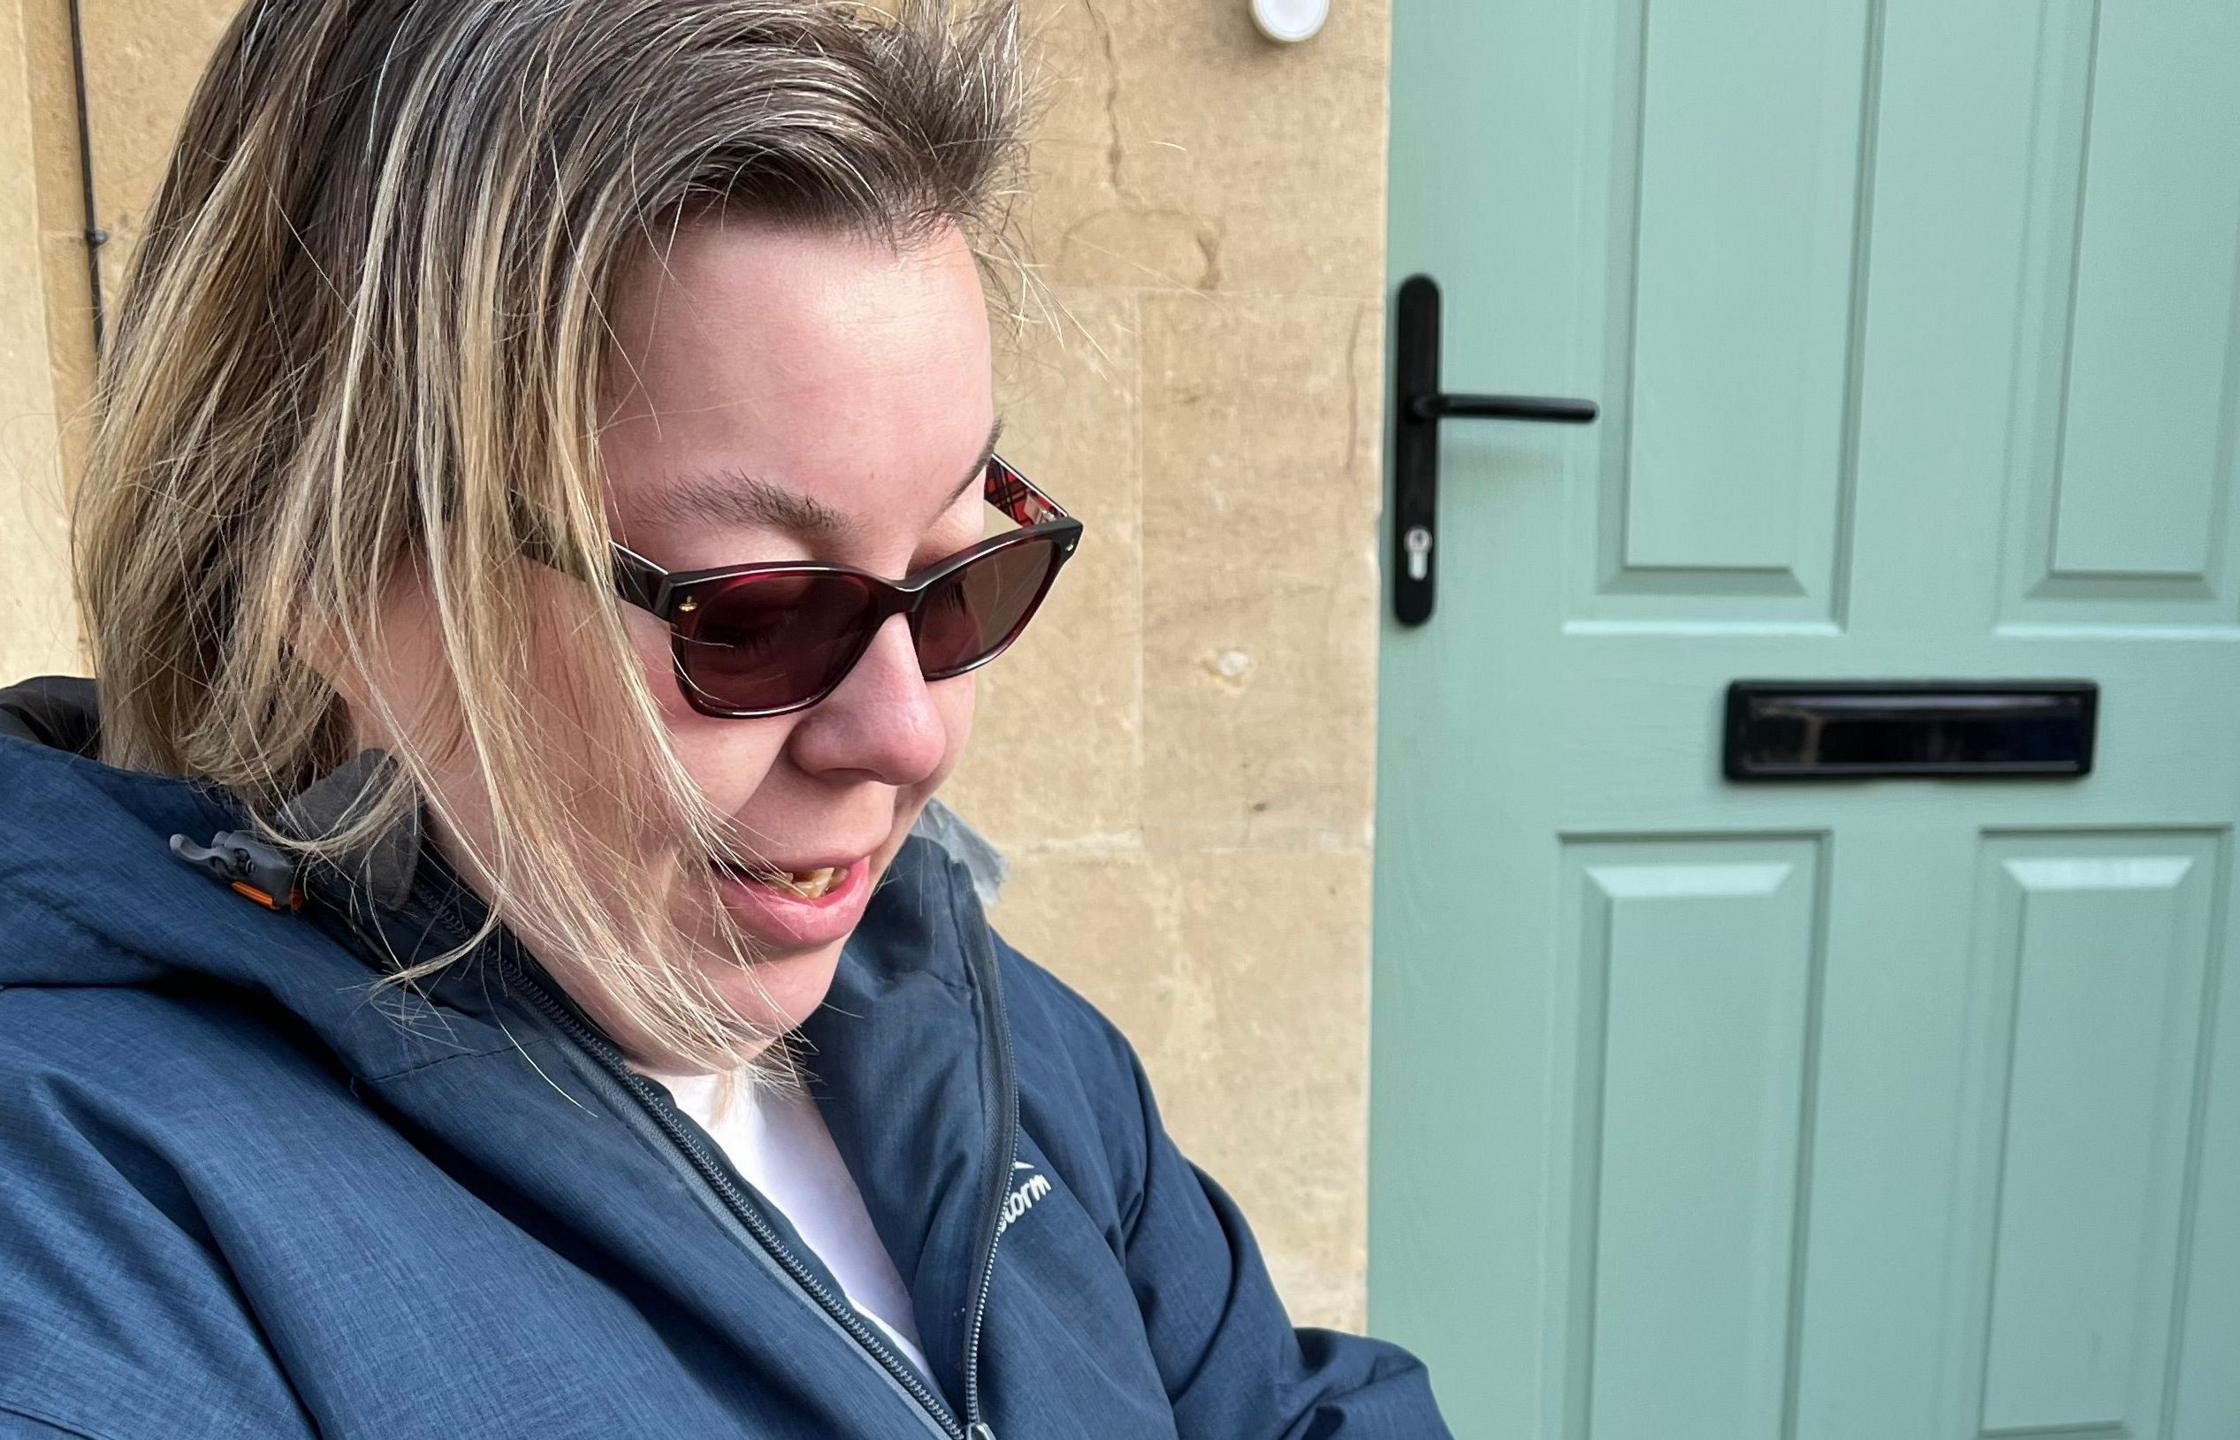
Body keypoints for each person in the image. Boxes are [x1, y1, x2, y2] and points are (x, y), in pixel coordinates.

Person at [0, 2, 1451, 1436]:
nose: (911, 740)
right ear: (313, 567)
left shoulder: (949, 1005)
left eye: (962, 576)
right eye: (750, 616)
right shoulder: (88, 1232)